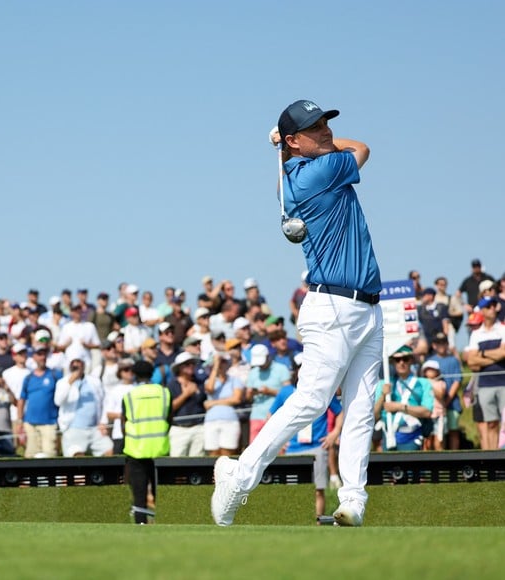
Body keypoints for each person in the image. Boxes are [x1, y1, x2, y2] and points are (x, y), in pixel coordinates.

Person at [212, 100, 383, 528]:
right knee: (310, 401)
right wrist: (304, 149)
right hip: (333, 305)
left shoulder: (297, 173)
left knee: (361, 408)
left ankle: (352, 501)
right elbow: (362, 147)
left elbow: (339, 150)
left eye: (326, 123)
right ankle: (239, 476)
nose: (325, 131)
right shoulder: (319, 173)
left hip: (366, 306)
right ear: (292, 141)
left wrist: (293, 147)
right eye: (314, 127)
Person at [270, 357, 343, 522]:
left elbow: (340, 412)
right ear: (296, 370)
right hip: (293, 449)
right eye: (301, 367)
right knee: (293, 492)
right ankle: (295, 521)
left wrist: (334, 433)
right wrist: (279, 440)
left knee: (318, 490)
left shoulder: (323, 390)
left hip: (318, 446)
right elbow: (271, 416)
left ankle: (316, 524)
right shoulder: (286, 392)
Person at [121, 360, 171, 524]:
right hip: (160, 450)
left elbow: (124, 424)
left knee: (139, 494)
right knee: (162, 494)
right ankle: (164, 523)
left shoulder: (129, 396)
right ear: (152, 374)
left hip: (136, 450)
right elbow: (169, 419)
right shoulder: (164, 393)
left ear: (134, 375)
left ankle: (141, 524)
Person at [373, 346, 434, 451]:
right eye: (397, 360)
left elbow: (427, 412)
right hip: (389, 436)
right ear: (392, 362)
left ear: (411, 360)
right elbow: (374, 415)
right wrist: (383, 395)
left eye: (405, 359)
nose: (402, 363)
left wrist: (399, 407)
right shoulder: (384, 384)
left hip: (412, 437)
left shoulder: (423, 383)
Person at [465, 296, 505, 450]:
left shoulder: (504, 328)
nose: (493, 309)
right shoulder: (476, 334)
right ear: (482, 310)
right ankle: (492, 462)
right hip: (485, 384)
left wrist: (482, 354)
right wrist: (496, 354)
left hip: (504, 383)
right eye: (489, 306)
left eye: (494, 305)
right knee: (491, 423)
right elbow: (471, 362)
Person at [54, 358, 113, 457]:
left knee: (108, 450)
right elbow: (58, 401)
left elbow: (103, 402)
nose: (76, 365)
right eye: (73, 362)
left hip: (95, 428)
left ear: (84, 365)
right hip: (74, 428)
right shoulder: (63, 382)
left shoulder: (94, 381)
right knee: (77, 460)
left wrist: (103, 422)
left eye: (79, 362)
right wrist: (70, 381)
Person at [16, 346, 62, 457]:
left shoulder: (55, 375)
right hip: (30, 423)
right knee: (30, 455)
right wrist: (19, 422)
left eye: (44, 354)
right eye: (39, 354)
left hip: (49, 422)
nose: (42, 357)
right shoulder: (28, 378)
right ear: (34, 357)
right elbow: (21, 400)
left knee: (50, 454)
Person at [245, 344, 292, 443]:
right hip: (256, 416)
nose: (260, 365)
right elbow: (248, 398)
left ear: (268, 356)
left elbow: (289, 394)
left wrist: (270, 391)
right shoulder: (253, 372)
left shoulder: (281, 369)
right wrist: (251, 393)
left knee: (278, 449)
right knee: (254, 450)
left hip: (277, 416)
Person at [425, 332, 464, 450]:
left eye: (444, 342)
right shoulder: (430, 360)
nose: (441, 345)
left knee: (453, 430)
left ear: (447, 344)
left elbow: (457, 381)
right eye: (438, 343)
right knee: (433, 433)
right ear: (433, 345)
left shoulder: (453, 360)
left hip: (452, 403)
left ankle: (453, 459)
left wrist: (446, 401)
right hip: (433, 404)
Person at [167, 352, 207, 457]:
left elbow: (204, 403)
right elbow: (169, 408)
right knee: (177, 465)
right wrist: (186, 394)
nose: (191, 366)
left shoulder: (200, 383)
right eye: (187, 364)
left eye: (192, 364)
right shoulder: (171, 385)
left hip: (198, 427)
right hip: (179, 429)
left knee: (197, 464)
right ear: (179, 367)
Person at [203, 354, 244, 456]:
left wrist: (213, 403)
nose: (221, 364)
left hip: (230, 420)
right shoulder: (209, 381)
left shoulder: (235, 380)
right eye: (219, 362)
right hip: (211, 421)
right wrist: (216, 366)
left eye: (223, 362)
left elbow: (237, 399)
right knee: (213, 454)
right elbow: (209, 389)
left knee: (227, 454)